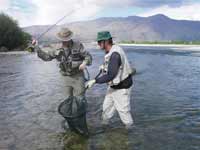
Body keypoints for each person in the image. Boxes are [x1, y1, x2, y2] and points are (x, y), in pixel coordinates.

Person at [32, 27, 92, 135]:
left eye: (67, 39)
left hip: (78, 76)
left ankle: (81, 122)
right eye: (63, 40)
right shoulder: (56, 48)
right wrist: (37, 47)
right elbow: (46, 57)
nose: (65, 42)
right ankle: (71, 125)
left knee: (80, 100)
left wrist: (84, 63)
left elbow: (88, 57)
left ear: (70, 38)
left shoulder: (78, 45)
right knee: (67, 101)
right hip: (65, 78)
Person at [86, 31, 135, 129]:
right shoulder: (110, 50)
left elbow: (111, 75)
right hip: (113, 86)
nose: (98, 44)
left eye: (100, 42)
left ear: (106, 41)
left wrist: (95, 81)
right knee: (106, 108)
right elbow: (112, 68)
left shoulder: (115, 55)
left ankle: (130, 131)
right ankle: (104, 127)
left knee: (123, 112)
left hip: (122, 87)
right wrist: (104, 67)